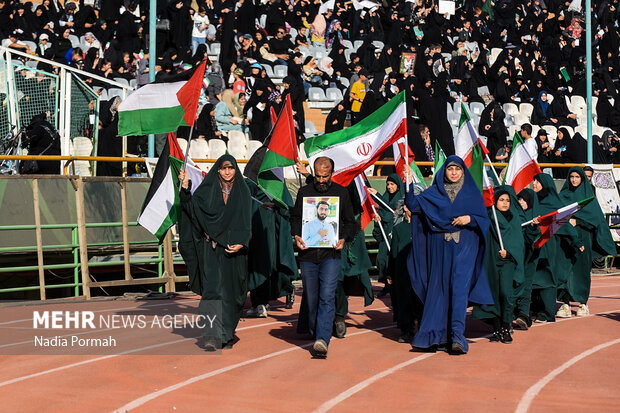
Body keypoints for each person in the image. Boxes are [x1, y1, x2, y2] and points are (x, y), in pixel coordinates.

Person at [405, 156, 493, 354]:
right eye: (450, 169)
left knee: (459, 290)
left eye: (457, 169)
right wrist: (408, 182)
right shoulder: (434, 192)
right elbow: (414, 205)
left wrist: (469, 218)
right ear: (444, 171)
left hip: (465, 247)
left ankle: (457, 336)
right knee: (439, 291)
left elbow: (484, 221)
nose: (454, 173)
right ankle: (434, 336)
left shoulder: (472, 194)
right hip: (440, 249)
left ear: (463, 172)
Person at [178, 154, 252, 350]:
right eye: (223, 168)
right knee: (212, 292)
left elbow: (247, 222)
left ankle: (226, 334)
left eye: (231, 168)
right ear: (217, 170)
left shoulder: (243, 191)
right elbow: (192, 210)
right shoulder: (206, 190)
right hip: (212, 250)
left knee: (233, 295)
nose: (227, 172)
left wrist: (242, 243)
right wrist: (185, 188)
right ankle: (211, 336)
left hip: (235, 253)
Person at [291, 157, 358, 357]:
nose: (321, 180)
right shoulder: (304, 193)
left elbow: (350, 223)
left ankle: (322, 339)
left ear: (331, 174)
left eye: (325, 176)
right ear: (314, 172)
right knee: (312, 298)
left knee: (327, 296)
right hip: (308, 254)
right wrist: (296, 235)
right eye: (318, 176)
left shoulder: (341, 193)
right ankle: (316, 330)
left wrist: (344, 238)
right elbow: (295, 218)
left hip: (331, 255)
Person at [557, 167, 615, 317]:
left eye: (577, 177)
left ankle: (583, 303)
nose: (574, 180)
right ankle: (565, 303)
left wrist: (579, 222)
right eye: (572, 177)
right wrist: (568, 222)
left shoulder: (589, 198)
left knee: (582, 270)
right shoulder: (563, 195)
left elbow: (595, 221)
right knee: (565, 269)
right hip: (566, 239)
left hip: (584, 237)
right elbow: (556, 216)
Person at [473, 186, 524, 344]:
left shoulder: (514, 218)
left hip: (508, 262)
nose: (505, 203)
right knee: (492, 294)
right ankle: (496, 327)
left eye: (507, 200)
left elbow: (518, 241)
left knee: (505, 294)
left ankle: (507, 324)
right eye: (501, 200)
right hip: (491, 261)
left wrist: (509, 252)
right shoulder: (489, 216)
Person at [530, 173, 583, 323]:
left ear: (545, 185)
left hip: (549, 246)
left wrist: (577, 242)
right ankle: (535, 307)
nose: (534, 184)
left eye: (537, 182)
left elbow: (564, 224)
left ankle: (547, 312)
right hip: (534, 245)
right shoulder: (532, 202)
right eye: (534, 181)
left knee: (547, 275)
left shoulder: (554, 204)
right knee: (534, 275)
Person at [370, 174, 404, 298]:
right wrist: (377, 221)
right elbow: (384, 212)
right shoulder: (385, 198)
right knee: (382, 260)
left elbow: (391, 215)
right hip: (386, 236)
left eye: (392, 184)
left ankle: (397, 285)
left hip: (396, 236)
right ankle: (387, 285)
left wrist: (377, 195)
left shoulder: (400, 199)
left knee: (395, 261)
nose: (389, 187)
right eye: (388, 184)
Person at [513, 189, 541, 330]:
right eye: (519, 199)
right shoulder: (514, 214)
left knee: (526, 284)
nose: (521, 202)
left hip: (529, 257)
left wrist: (532, 227)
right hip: (514, 256)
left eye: (524, 200)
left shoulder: (535, 216)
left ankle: (524, 314)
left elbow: (534, 238)